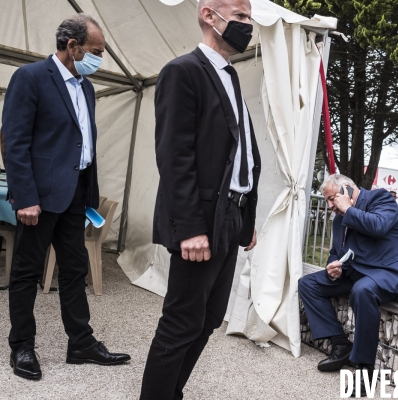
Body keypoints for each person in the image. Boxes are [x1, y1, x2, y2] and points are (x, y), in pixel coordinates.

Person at [139, 0, 261, 398]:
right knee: (181, 322)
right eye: (240, 16)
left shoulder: (229, 76)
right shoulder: (183, 71)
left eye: (248, 18)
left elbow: (238, 154)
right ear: (210, 15)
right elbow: (175, 157)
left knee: (208, 319)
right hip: (202, 221)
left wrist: (245, 219)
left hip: (230, 216)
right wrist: (191, 227)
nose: (247, 25)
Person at [1, 14, 130, 381]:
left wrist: (89, 195)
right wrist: (25, 197)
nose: (100, 58)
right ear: (72, 46)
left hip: (75, 195)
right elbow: (14, 143)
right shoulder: (30, 78)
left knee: (74, 270)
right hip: (39, 198)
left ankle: (81, 343)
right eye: (96, 51)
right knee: (26, 271)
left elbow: (80, 142)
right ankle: (22, 346)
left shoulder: (86, 88)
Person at [298, 174, 398, 397]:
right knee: (308, 284)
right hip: (357, 272)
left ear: (347, 189)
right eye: (327, 201)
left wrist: (348, 209)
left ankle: (365, 371)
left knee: (363, 290)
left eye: (332, 199)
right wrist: (333, 266)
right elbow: (336, 251)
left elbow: (378, 226)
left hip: (390, 272)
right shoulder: (339, 219)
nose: (330, 206)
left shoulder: (380, 198)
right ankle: (340, 344)